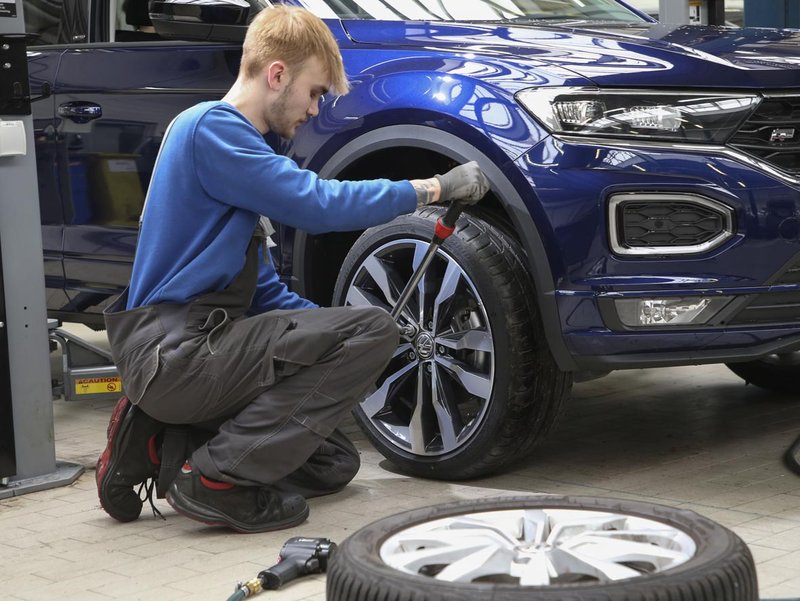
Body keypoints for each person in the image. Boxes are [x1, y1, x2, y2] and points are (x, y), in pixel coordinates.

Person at [95, 5, 489, 534]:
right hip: (176, 353)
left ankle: (159, 438)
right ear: (277, 74)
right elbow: (317, 203)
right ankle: (214, 480)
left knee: (331, 464)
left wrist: (340, 345)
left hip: (202, 350)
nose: (315, 108)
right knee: (371, 328)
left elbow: (262, 293)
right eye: (315, 91)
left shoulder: (240, 150)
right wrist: (431, 189)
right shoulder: (211, 128)